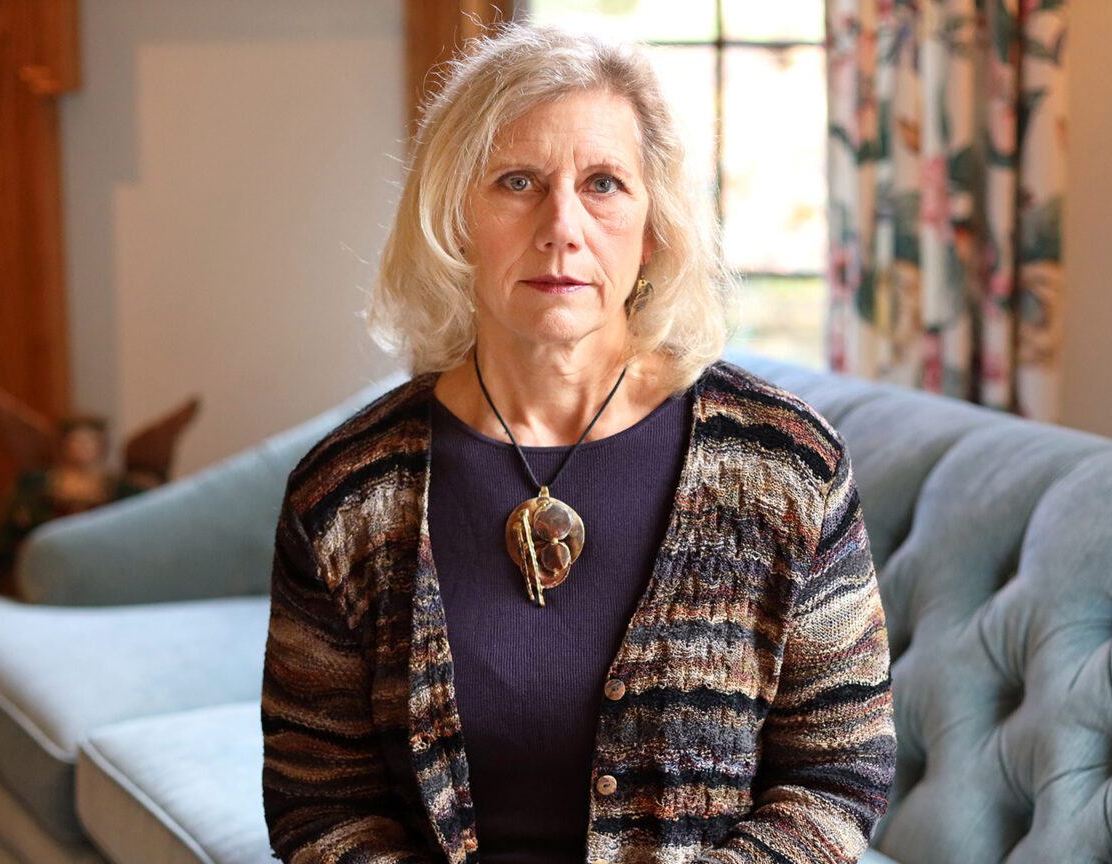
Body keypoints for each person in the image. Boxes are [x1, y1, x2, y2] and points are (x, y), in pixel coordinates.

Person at [262, 23, 894, 864]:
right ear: (454, 215)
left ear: (656, 227)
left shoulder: (786, 466)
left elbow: (838, 775)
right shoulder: (345, 493)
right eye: (517, 182)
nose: (561, 226)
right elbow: (317, 800)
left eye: (603, 184)